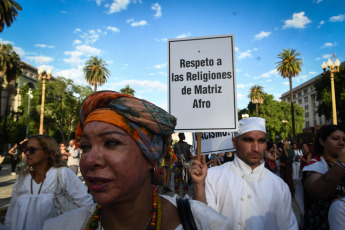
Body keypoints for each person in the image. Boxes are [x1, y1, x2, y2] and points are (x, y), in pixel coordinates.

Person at [43, 90, 230, 230]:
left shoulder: (207, 224)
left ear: (151, 156)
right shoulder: (59, 226)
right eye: (85, 146)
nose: (90, 160)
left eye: (111, 143)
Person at [189, 117, 297, 230]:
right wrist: (198, 185)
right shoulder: (213, 176)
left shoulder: (279, 186)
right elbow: (202, 220)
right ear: (235, 143)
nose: (256, 148)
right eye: (249, 140)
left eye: (261, 141)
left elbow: (290, 226)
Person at [5, 135, 93, 230]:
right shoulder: (22, 179)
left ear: (47, 152)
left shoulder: (62, 174)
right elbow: (12, 210)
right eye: (25, 150)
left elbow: (86, 205)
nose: (27, 153)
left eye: (32, 150)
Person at [300, 124, 345, 230]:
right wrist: (341, 163)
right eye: (335, 139)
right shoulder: (313, 167)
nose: (341, 143)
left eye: (344, 139)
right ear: (322, 141)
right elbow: (320, 191)